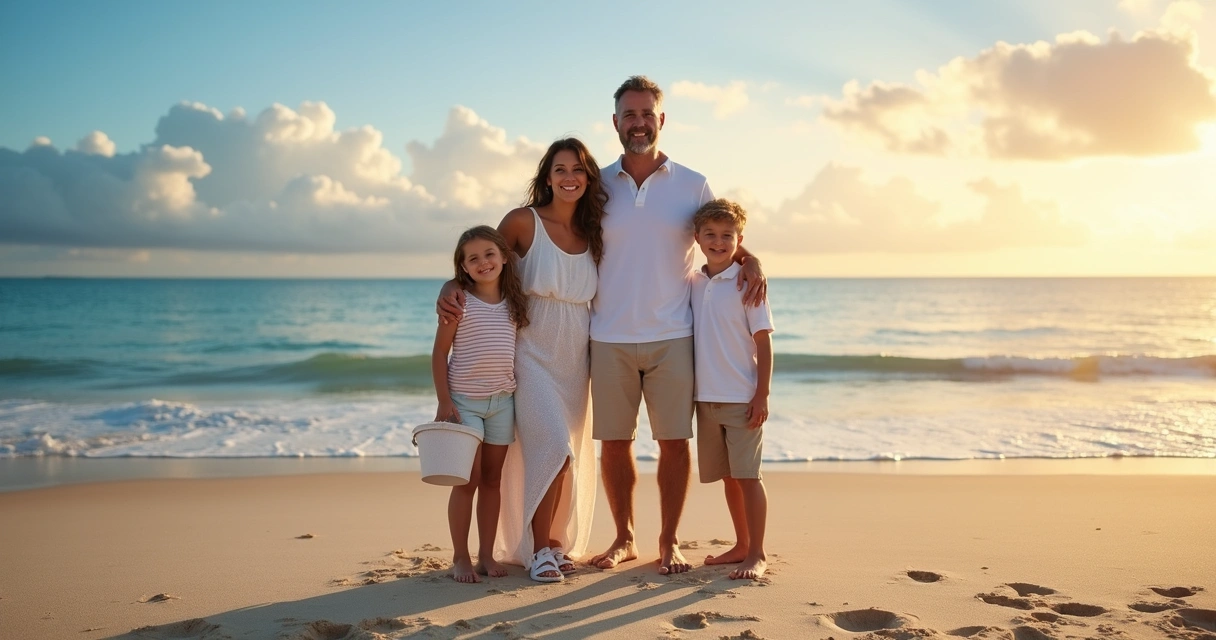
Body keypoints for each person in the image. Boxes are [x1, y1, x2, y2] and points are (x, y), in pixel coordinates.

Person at [588, 76, 767, 575]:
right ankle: (624, 538)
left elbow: (722, 232)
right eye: (630, 115)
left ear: (661, 120)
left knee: (673, 442)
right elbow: (551, 228)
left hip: (673, 334)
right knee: (614, 443)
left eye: (647, 114)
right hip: (607, 334)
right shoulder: (595, 185)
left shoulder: (693, 183)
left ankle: (668, 542)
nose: (639, 123)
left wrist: (752, 261)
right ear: (616, 122)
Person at [439, 138, 605, 583]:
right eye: (560, 169)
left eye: (578, 169)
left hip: (575, 356)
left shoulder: (595, 230)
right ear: (547, 176)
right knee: (554, 445)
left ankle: (552, 542)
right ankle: (537, 553)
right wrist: (447, 288)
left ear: (588, 177)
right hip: (529, 352)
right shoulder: (521, 221)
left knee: (566, 457)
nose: (569, 177)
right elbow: (478, 261)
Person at [431, 225, 530, 583]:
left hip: (503, 403)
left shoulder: (515, 301)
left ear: (504, 256)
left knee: (492, 480)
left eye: (489, 254)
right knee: (466, 481)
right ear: (463, 267)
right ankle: (461, 557)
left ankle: (486, 555)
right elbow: (440, 353)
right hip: (464, 403)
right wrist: (445, 402)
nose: (483, 262)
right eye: (473, 258)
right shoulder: (459, 302)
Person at [689, 199, 774, 580]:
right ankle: (740, 544)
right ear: (697, 238)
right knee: (728, 477)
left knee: (748, 477)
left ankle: (757, 552)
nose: (719, 242)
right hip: (706, 400)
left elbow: (764, 342)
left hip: (742, 397)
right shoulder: (693, 282)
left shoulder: (747, 283)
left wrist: (762, 394)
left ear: (740, 240)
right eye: (711, 234)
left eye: (727, 236)